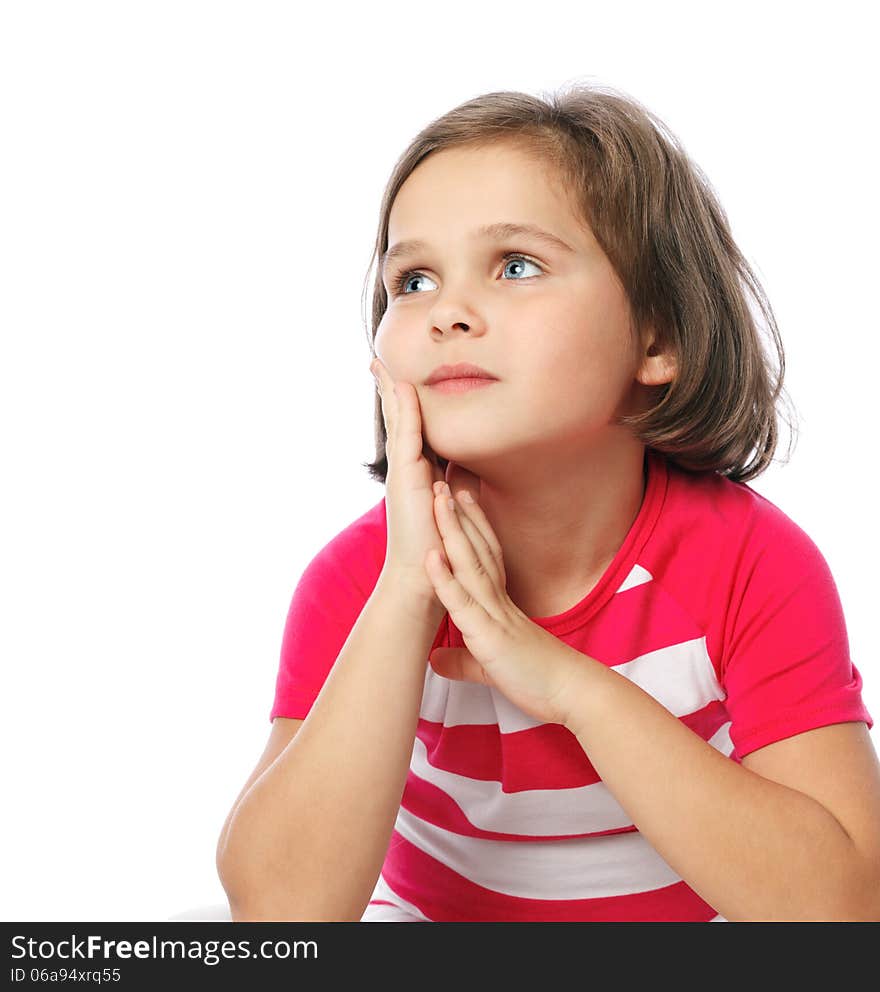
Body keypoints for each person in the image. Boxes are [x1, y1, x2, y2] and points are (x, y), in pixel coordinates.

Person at [214, 82, 880, 922]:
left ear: (658, 338)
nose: (446, 312)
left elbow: (843, 909)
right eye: (412, 279)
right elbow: (280, 917)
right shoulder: (359, 582)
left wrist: (563, 681)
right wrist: (408, 598)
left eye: (516, 266)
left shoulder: (751, 563)